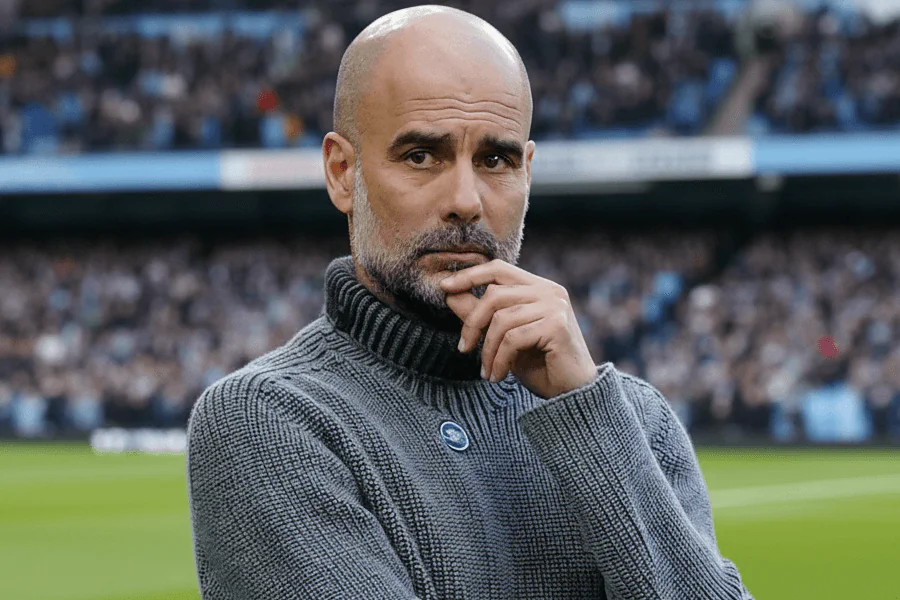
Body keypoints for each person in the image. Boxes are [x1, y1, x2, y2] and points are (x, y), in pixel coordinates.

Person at [185, 6, 754, 599]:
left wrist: (587, 415)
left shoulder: (631, 420)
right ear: (340, 171)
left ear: (527, 174)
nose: (465, 200)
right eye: (421, 156)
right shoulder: (269, 419)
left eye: (495, 160)